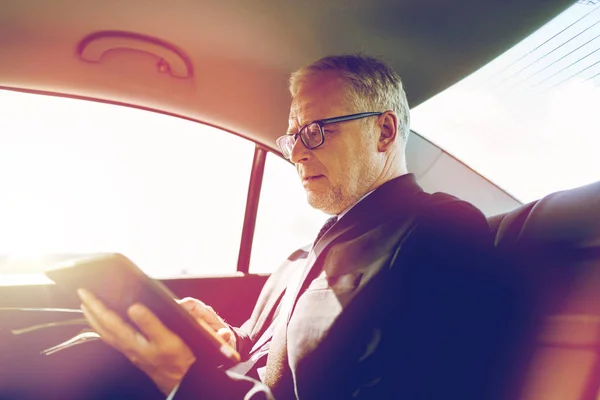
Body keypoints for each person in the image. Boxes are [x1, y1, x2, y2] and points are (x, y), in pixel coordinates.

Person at [79, 54, 520, 399]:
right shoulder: (298, 261)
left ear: (384, 131)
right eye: (294, 137)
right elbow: (263, 354)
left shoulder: (440, 231)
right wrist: (225, 336)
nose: (297, 154)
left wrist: (188, 381)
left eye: (316, 131)